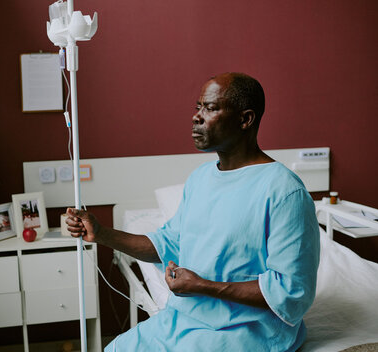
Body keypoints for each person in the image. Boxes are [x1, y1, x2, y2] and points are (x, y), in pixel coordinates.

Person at [67, 72, 320, 352]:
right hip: (183, 319)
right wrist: (101, 233)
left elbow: (292, 290)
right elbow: (168, 245)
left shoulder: (284, 191)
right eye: (197, 107)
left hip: (247, 330)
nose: (196, 117)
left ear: (245, 119)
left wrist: (204, 287)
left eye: (210, 108)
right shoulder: (200, 178)